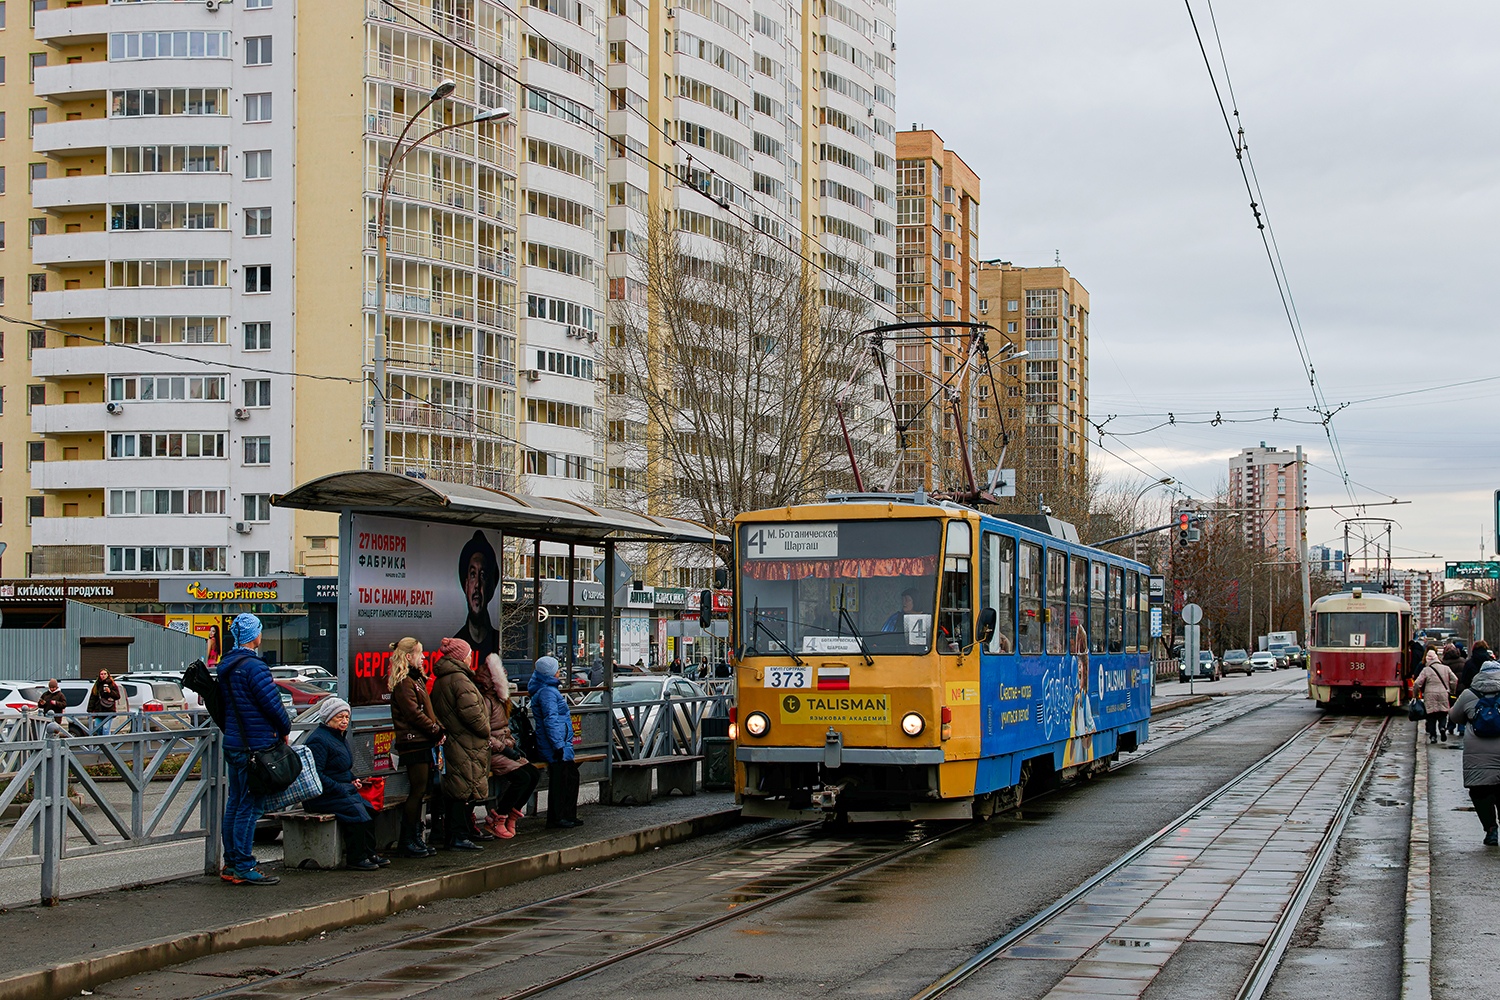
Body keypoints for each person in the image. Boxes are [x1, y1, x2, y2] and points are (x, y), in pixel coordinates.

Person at [218, 613, 291, 886]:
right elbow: (272, 705)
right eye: (259, 631)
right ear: (254, 636)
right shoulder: (254, 667)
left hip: (235, 744)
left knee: (235, 804)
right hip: (255, 747)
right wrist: (285, 729)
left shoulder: (227, 665)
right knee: (250, 807)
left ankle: (231, 863)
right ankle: (244, 866)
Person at [301, 698, 388, 871]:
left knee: (369, 809)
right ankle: (356, 858)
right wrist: (339, 787)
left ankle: (369, 852)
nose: (344, 721)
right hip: (323, 795)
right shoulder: (319, 739)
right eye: (339, 717)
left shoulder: (338, 737)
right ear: (328, 718)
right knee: (358, 815)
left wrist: (352, 778)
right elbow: (316, 774)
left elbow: (341, 767)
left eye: (347, 717)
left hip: (341, 790)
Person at [428, 636, 490, 851]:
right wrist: (486, 729)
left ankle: (456, 834)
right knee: (462, 790)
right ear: (462, 657)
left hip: (456, 741)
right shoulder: (460, 680)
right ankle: (458, 836)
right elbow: (472, 714)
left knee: (459, 788)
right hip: (464, 742)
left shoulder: (445, 679)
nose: (472, 657)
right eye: (469, 653)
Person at [474, 654, 540, 839]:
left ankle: (511, 814)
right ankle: (498, 817)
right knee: (522, 778)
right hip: (494, 752)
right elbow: (484, 733)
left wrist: (510, 745)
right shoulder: (486, 701)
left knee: (533, 774)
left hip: (505, 748)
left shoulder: (499, 701)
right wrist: (504, 748)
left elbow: (504, 729)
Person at [388, 637, 442, 857]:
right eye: (420, 654)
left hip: (421, 740)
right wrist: (435, 729)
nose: (424, 657)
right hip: (413, 742)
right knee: (417, 791)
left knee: (422, 790)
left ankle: (414, 838)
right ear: (409, 657)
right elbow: (413, 713)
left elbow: (423, 711)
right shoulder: (405, 683)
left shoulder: (415, 680)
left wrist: (437, 728)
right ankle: (407, 840)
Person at [1448, 659, 1500, 845]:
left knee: (1480, 791)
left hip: (1477, 752)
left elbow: (1454, 716)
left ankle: (1491, 829)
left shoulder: (1469, 694)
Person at [528, 655, 580, 828]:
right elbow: (551, 721)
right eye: (557, 669)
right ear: (550, 673)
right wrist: (558, 746)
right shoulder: (547, 692)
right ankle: (558, 817)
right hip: (555, 745)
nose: (559, 672)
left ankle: (566, 815)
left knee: (569, 776)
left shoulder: (546, 690)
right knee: (562, 779)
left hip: (559, 744)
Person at [451, 531, 501, 664]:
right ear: (465, 584)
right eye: (473, 574)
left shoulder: (498, 641)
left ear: (491, 586)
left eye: (483, 575)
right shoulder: (456, 644)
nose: (477, 585)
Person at [1414, 648, 1458, 744]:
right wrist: (1451, 690)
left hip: (1430, 695)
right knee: (1442, 713)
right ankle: (1442, 727)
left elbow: (1417, 683)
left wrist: (1416, 694)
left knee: (1431, 716)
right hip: (1443, 693)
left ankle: (1433, 736)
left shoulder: (1426, 670)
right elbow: (1455, 679)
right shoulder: (1446, 668)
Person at [87, 669, 126, 734]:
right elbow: (93, 698)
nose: (103, 676)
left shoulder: (112, 684)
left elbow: (117, 696)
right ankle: (100, 743)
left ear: (108, 675)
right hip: (98, 710)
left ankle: (106, 743)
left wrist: (110, 692)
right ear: (99, 676)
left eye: (105, 674)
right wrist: (90, 710)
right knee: (97, 727)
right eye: (101, 674)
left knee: (105, 728)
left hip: (109, 709)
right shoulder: (97, 685)